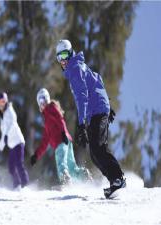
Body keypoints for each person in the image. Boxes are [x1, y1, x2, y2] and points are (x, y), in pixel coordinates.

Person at [55, 39, 126, 198]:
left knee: (98, 147)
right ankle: (115, 181)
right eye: (59, 58)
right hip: (97, 109)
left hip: (96, 111)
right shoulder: (79, 67)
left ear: (71, 52)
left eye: (65, 55)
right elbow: (97, 80)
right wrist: (107, 105)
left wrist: (81, 125)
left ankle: (118, 178)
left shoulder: (75, 69)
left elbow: (82, 97)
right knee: (94, 152)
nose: (63, 60)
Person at [30, 88, 90, 185]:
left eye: (44, 99)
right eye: (40, 101)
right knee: (72, 168)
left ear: (48, 99)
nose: (43, 103)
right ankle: (84, 175)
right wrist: (36, 155)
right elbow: (45, 142)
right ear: (39, 104)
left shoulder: (51, 107)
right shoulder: (46, 122)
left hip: (61, 141)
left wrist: (63, 133)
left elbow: (60, 119)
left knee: (61, 162)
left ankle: (65, 180)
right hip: (66, 141)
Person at [0, 92, 29, 189]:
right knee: (11, 167)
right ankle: (17, 185)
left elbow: (12, 122)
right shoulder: (2, 115)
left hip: (18, 142)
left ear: (6, 101)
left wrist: (6, 135)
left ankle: (25, 184)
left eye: (3, 101)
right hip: (12, 145)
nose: (1, 104)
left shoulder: (10, 110)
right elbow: (3, 134)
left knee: (19, 164)